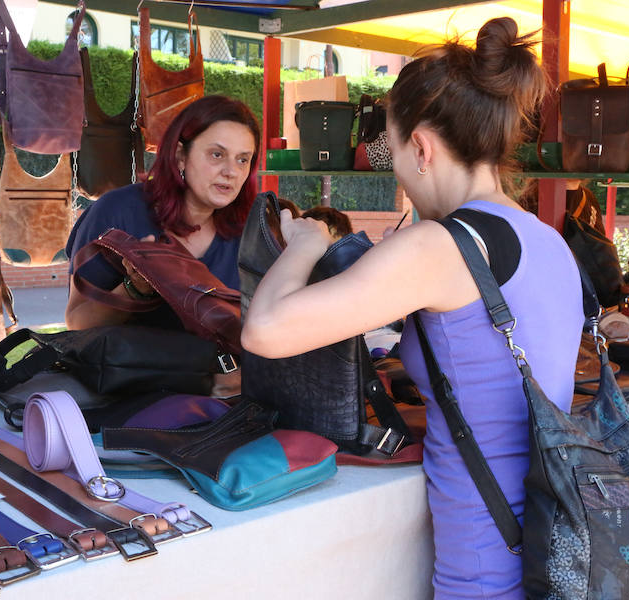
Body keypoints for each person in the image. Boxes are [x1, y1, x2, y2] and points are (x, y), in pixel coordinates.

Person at [242, 17, 583, 599]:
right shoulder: (545, 238)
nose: (397, 172)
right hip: (551, 555)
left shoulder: (441, 246)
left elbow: (265, 331)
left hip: (485, 574)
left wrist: (305, 244)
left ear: (421, 147)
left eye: (393, 153)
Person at [64, 95, 261, 330]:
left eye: (242, 159)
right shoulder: (116, 212)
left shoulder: (250, 231)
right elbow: (77, 322)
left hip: (215, 367)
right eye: (217, 154)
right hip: (129, 366)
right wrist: (137, 288)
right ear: (180, 156)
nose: (231, 171)